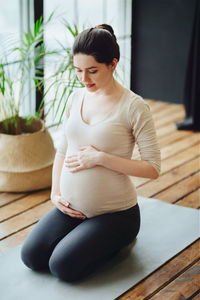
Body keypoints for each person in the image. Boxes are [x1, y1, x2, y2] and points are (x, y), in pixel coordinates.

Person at [21, 24, 161, 282]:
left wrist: (101, 158)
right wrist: (55, 193)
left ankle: (115, 242)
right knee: (31, 257)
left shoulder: (134, 107)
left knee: (62, 267)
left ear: (113, 64)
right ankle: (84, 236)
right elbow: (63, 149)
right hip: (71, 210)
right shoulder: (76, 98)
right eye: (78, 71)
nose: (84, 79)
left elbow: (152, 168)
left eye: (92, 71)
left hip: (116, 215)